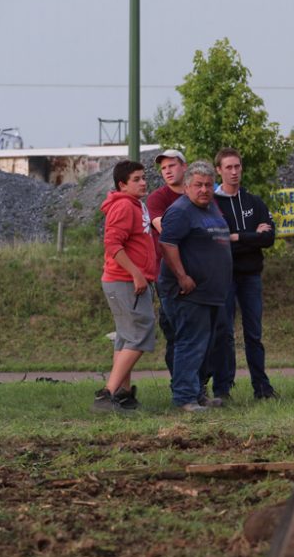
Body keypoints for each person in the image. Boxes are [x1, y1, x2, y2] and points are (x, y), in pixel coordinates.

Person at [158, 161, 233, 412]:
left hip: (212, 293)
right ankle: (184, 398)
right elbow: (168, 244)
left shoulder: (211, 207)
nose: (204, 190)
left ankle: (198, 393)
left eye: (208, 185)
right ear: (187, 186)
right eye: (198, 185)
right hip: (188, 293)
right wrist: (182, 276)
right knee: (190, 344)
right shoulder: (180, 211)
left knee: (206, 346)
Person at [213, 147, 279, 400]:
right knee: (224, 333)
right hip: (224, 276)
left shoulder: (254, 201)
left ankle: (262, 388)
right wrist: (253, 237)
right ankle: (222, 389)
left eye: (237, 166)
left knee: (254, 333)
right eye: (228, 167)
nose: (233, 172)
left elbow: (269, 237)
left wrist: (238, 236)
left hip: (251, 276)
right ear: (219, 170)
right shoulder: (213, 204)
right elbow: (216, 239)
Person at [94, 160, 158, 413]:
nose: (143, 182)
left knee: (126, 337)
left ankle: (122, 395)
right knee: (141, 333)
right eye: (136, 179)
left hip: (127, 280)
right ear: (122, 184)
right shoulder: (123, 206)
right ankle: (107, 394)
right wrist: (136, 273)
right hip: (124, 280)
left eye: (144, 178)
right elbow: (112, 244)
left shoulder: (136, 205)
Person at [147, 149, 187, 375]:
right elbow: (167, 230)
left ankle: (197, 385)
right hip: (169, 274)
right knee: (175, 332)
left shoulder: (196, 193)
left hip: (199, 271)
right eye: (163, 168)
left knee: (204, 333)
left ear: (184, 166)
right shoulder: (158, 198)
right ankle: (179, 386)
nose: (167, 171)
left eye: (171, 165)